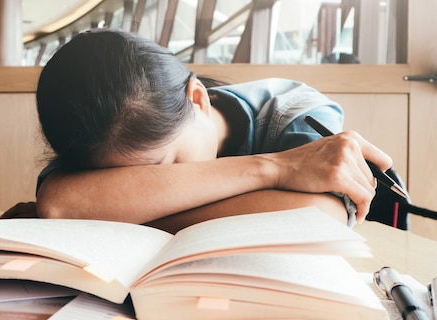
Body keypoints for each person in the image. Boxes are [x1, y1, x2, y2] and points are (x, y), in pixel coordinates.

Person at [33, 28, 393, 233]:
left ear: (197, 98)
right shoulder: (94, 132)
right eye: (126, 181)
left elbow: (318, 216)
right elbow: (61, 202)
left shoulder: (293, 111)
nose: (158, 188)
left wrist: (124, 212)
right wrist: (274, 168)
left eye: (162, 167)